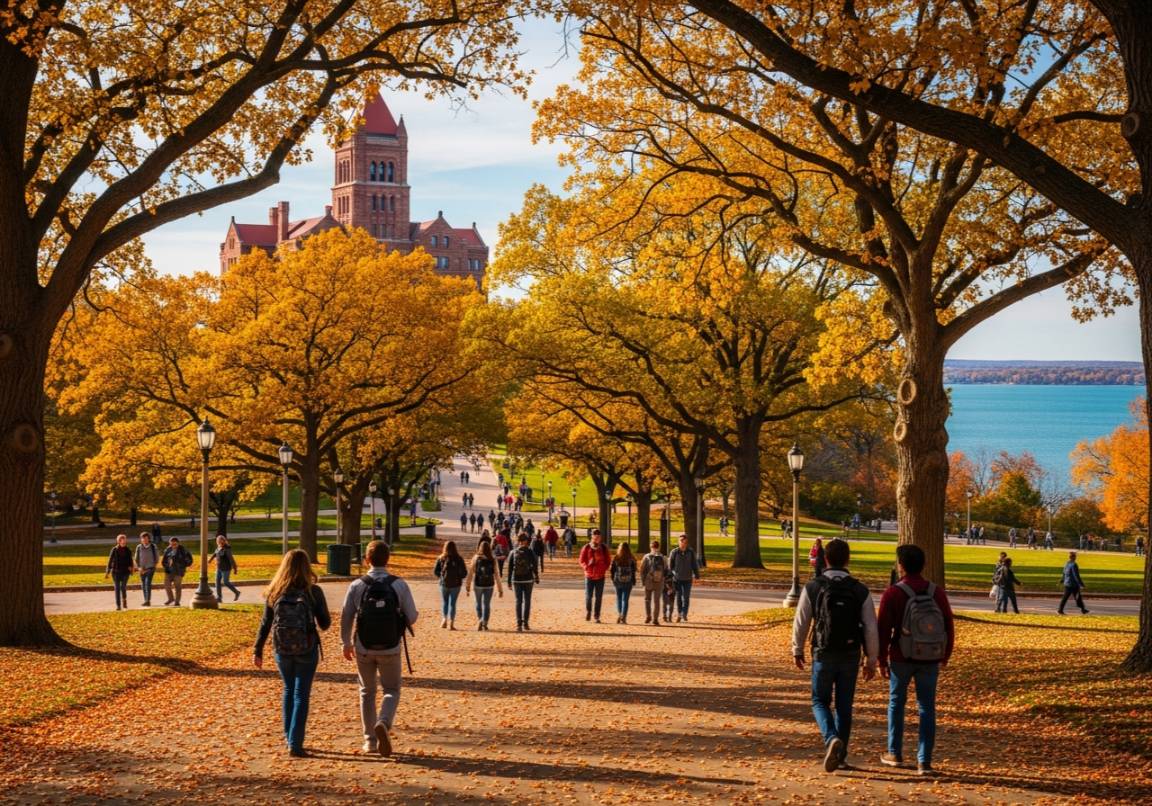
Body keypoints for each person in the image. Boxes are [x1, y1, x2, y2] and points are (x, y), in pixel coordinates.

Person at [791, 538, 878, 773]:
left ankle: (831, 739)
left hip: (823, 651)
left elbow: (802, 620)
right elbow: (870, 626)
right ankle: (841, 756)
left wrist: (796, 649)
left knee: (819, 700)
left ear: (825, 559)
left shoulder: (814, 586)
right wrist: (871, 660)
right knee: (844, 706)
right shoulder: (859, 589)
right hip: (850, 653)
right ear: (847, 559)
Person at [877, 544, 955, 776]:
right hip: (930, 657)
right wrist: (945, 654)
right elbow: (948, 625)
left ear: (900, 565)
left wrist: (881, 659)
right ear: (923, 565)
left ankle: (895, 752)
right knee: (926, 708)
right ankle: (924, 760)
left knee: (896, 703)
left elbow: (883, 629)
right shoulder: (936, 592)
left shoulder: (893, 593)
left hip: (901, 656)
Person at [341, 540, 418, 756]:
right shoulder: (399, 584)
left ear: (367, 560)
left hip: (363, 646)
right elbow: (412, 617)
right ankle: (384, 721)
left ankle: (370, 741)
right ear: (388, 559)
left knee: (366, 691)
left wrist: (345, 642)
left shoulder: (357, 585)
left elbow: (346, 616)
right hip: (390, 646)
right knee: (391, 690)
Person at [253, 549, 332, 758]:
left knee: (289, 690)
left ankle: (289, 737)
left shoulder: (275, 591)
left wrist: (258, 649)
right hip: (306, 647)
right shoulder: (313, 591)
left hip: (281, 648)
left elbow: (265, 623)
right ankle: (295, 744)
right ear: (307, 567)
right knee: (301, 694)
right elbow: (325, 624)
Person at [466, 540, 503, 630]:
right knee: (486, 604)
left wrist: (468, 586)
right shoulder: (492, 558)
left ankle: (480, 620)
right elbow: (497, 574)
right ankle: (485, 622)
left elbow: (471, 572)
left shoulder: (476, 558)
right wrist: (500, 589)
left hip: (478, 584)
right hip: (489, 585)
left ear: (480, 548)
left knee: (478, 603)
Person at [507, 533, 540, 631]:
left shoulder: (513, 552)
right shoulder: (530, 552)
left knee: (518, 601)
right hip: (528, 579)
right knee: (527, 601)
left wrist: (509, 581)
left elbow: (509, 569)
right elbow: (535, 565)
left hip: (516, 580)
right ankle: (526, 623)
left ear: (518, 541)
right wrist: (536, 576)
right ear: (526, 541)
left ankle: (518, 624)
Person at [433, 540, 468, 630]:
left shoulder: (441, 558)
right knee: (453, 604)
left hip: (444, 583)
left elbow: (435, 571)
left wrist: (441, 577)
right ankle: (451, 622)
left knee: (445, 602)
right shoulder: (459, 558)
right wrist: (459, 577)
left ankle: (444, 619)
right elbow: (464, 573)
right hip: (456, 584)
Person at [579, 529, 611, 623]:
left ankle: (597, 615)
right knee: (588, 596)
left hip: (600, 576)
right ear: (592, 536)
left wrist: (603, 568)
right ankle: (588, 611)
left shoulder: (604, 548)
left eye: (598, 536)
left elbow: (608, 561)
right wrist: (586, 567)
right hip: (589, 576)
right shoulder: (587, 547)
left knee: (599, 597)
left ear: (600, 537)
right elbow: (581, 560)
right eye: (594, 535)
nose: (596, 537)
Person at [667, 534, 701, 623]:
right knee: (679, 597)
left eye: (684, 541)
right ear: (679, 542)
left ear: (686, 543)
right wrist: (671, 575)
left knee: (686, 597)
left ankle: (684, 614)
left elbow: (694, 564)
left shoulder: (690, 552)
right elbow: (670, 566)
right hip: (677, 579)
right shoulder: (674, 552)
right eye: (681, 541)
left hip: (688, 579)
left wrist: (697, 575)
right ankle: (679, 613)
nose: (683, 543)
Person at [105, 533, 135, 610]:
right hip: (116, 572)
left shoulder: (128, 550)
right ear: (119, 541)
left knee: (123, 587)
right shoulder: (114, 550)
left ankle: (124, 599)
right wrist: (107, 571)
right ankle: (118, 605)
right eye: (122, 541)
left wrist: (131, 568)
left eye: (125, 541)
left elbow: (130, 561)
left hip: (125, 572)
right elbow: (110, 560)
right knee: (117, 588)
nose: (124, 543)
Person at [640, 540, 667, 625]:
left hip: (648, 581)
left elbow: (642, 570)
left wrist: (643, 580)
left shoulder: (647, 557)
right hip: (659, 582)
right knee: (657, 601)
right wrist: (663, 579)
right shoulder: (663, 557)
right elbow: (666, 570)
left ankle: (648, 616)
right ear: (658, 547)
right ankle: (655, 619)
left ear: (650, 547)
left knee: (647, 599)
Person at [610, 542, 638, 624]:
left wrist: (613, 579)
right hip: (628, 581)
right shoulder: (631, 558)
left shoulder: (616, 558)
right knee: (625, 600)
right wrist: (633, 580)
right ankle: (624, 617)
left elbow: (612, 570)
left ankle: (620, 615)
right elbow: (634, 570)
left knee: (618, 598)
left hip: (618, 581)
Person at [161, 537, 193, 606]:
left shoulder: (183, 550)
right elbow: (163, 561)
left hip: (178, 571)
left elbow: (190, 560)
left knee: (177, 586)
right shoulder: (168, 550)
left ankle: (177, 601)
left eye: (174, 544)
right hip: (169, 571)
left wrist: (182, 565)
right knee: (167, 585)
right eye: (171, 544)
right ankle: (171, 598)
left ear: (178, 543)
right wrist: (166, 565)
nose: (173, 546)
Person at [209, 534, 241, 601]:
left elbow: (231, 559)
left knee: (226, 582)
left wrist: (235, 568)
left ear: (224, 541)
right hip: (219, 568)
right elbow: (215, 554)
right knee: (217, 582)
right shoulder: (218, 547)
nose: (219, 542)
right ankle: (219, 597)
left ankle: (237, 592)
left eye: (220, 541)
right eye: (218, 540)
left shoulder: (227, 549)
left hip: (226, 568)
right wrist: (210, 559)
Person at [134, 531, 161, 607]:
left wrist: (154, 566)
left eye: (146, 538)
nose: (144, 540)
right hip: (141, 569)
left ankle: (147, 600)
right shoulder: (139, 547)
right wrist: (139, 568)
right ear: (141, 539)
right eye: (143, 539)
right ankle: (145, 599)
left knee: (147, 583)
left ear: (149, 539)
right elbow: (136, 559)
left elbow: (157, 558)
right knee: (143, 585)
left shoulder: (153, 546)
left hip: (150, 568)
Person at [1058, 551, 1090, 615]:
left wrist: (1062, 580)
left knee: (1067, 597)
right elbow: (1076, 575)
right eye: (1075, 556)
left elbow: (1064, 573)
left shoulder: (1066, 563)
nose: (1076, 557)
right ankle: (1082, 609)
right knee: (1077, 597)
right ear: (1073, 557)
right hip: (1073, 584)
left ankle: (1082, 609)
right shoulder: (1074, 564)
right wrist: (1081, 584)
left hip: (1067, 583)